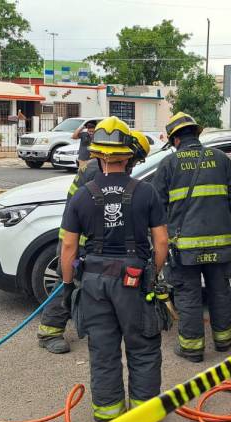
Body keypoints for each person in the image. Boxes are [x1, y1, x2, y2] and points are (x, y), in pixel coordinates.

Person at [59, 117, 168, 422]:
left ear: (96, 155)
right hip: (134, 281)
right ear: (128, 155)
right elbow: (161, 241)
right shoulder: (146, 192)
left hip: (94, 283)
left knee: (103, 351)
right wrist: (152, 273)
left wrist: (68, 286)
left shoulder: (82, 195)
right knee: (143, 347)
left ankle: (108, 415)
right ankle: (144, 416)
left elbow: (68, 248)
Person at [37, 130, 151, 354]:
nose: (134, 162)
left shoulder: (103, 166)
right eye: (136, 157)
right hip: (77, 239)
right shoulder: (96, 169)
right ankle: (49, 331)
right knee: (67, 282)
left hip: (85, 238)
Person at [152, 112, 231, 363]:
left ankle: (192, 349)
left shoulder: (169, 165)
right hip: (220, 245)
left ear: (175, 140)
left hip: (185, 249)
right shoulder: (221, 159)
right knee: (220, 292)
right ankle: (224, 341)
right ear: (196, 133)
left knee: (188, 296)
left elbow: (157, 207)